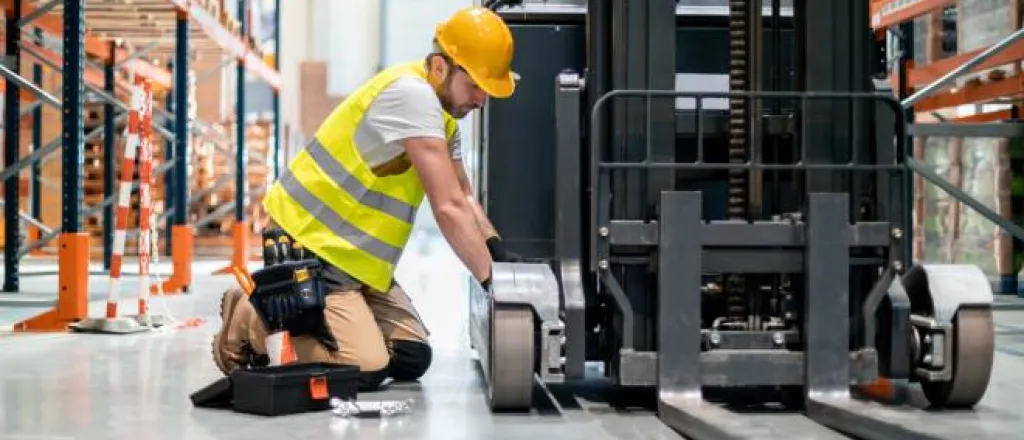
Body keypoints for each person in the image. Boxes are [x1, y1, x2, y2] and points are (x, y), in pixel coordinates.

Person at [210, 6, 522, 390]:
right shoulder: (413, 97)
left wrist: (499, 256)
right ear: (441, 66)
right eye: (475, 85)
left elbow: (465, 197)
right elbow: (448, 207)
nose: (481, 99)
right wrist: (493, 283)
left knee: (410, 356)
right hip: (314, 243)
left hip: (358, 263)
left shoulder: (443, 119)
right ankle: (248, 316)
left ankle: (323, 317)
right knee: (366, 367)